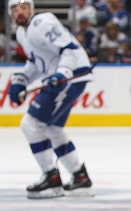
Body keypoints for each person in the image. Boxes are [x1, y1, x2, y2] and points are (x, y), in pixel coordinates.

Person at [8, 0, 94, 199]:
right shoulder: (22, 33)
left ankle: (51, 178)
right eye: (15, 8)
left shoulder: (42, 22)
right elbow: (37, 61)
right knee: (52, 129)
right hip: (64, 78)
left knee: (31, 125)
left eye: (23, 7)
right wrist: (21, 79)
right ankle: (80, 177)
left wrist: (62, 73)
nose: (19, 12)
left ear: (32, 8)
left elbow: (69, 48)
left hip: (70, 77)